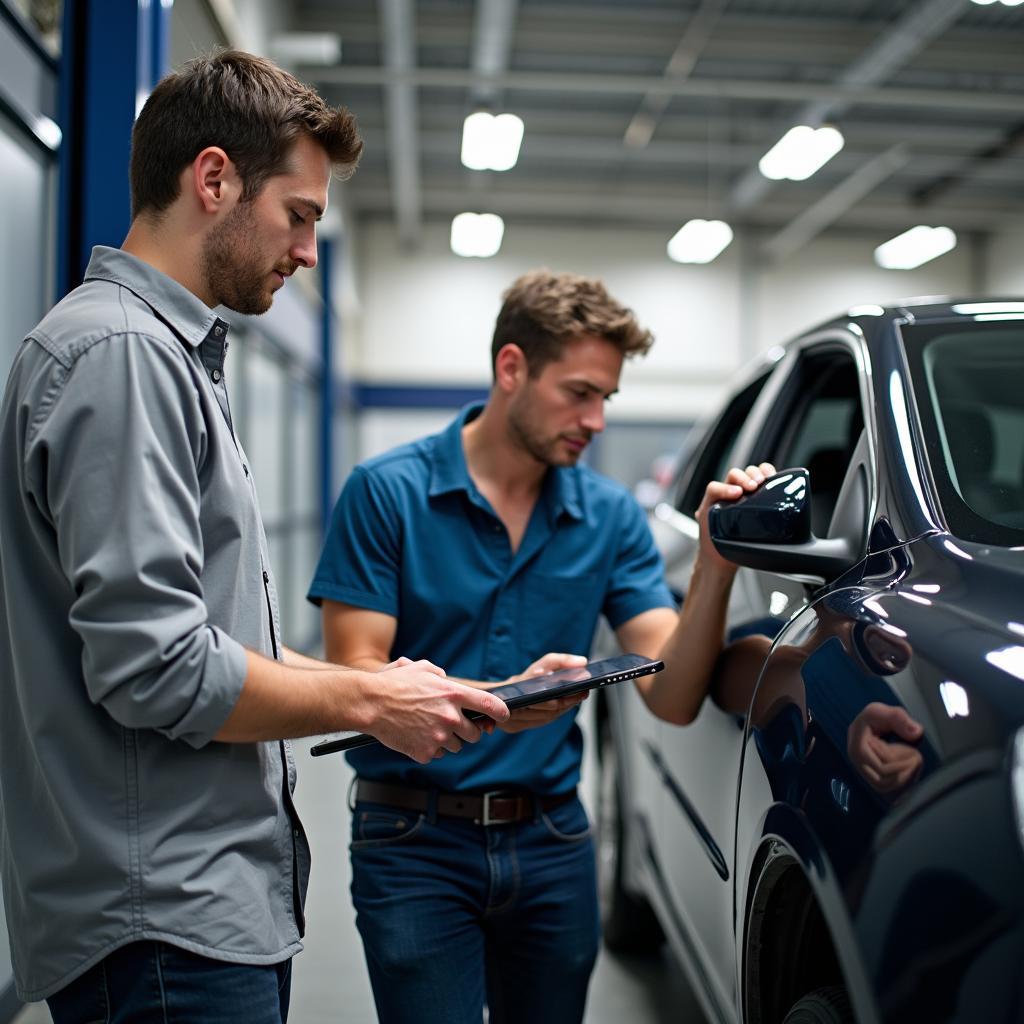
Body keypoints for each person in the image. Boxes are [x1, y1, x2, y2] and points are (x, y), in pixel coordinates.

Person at [0, 50, 509, 1023]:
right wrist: (366, 699)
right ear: (214, 179)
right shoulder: (121, 356)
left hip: (190, 914)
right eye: (301, 215)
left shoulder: (165, 358)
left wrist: (405, 693)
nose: (308, 251)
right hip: (159, 928)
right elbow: (155, 667)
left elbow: (206, 639)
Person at [309, 269, 772, 1024]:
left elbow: (674, 692)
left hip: (553, 838)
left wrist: (717, 566)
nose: (595, 419)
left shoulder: (610, 517)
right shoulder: (386, 492)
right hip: (413, 840)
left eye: (606, 399)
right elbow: (356, 678)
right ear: (512, 369)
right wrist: (495, 699)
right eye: (579, 393)